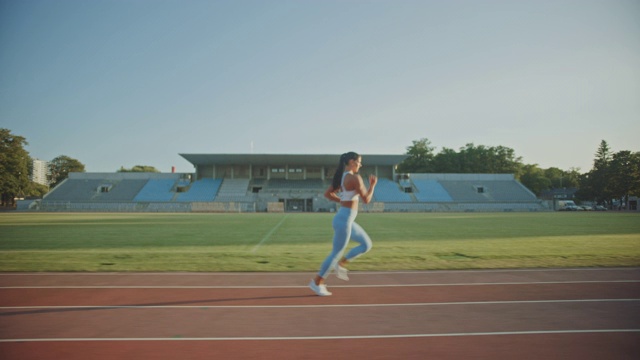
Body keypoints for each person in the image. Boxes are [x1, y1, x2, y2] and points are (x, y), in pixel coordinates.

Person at [309, 152, 377, 296]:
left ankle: (341, 264)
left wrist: (342, 201)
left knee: (366, 245)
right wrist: (372, 186)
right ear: (352, 162)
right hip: (344, 220)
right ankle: (317, 282)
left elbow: (328, 194)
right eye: (359, 162)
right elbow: (366, 199)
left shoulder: (342, 177)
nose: (361, 165)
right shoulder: (354, 178)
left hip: (345, 219)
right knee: (336, 252)